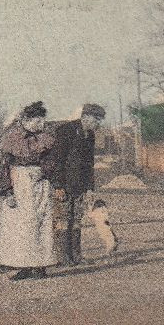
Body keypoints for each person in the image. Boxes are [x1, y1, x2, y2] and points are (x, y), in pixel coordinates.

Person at [0, 101, 59, 280]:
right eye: (37, 121)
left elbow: (53, 161)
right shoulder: (11, 138)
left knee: (41, 222)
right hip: (19, 183)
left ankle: (39, 266)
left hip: (40, 183)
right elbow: (3, 167)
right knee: (21, 226)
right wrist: (7, 192)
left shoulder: (45, 138)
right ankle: (23, 266)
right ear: (26, 120)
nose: (41, 125)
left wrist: (44, 171)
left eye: (42, 121)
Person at [49, 103, 105, 266]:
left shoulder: (90, 135)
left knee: (77, 220)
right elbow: (57, 160)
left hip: (80, 185)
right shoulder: (65, 131)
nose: (97, 124)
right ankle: (62, 257)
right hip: (64, 185)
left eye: (99, 120)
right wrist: (58, 185)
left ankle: (76, 255)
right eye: (96, 120)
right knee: (63, 221)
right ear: (85, 117)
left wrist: (89, 187)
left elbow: (89, 163)